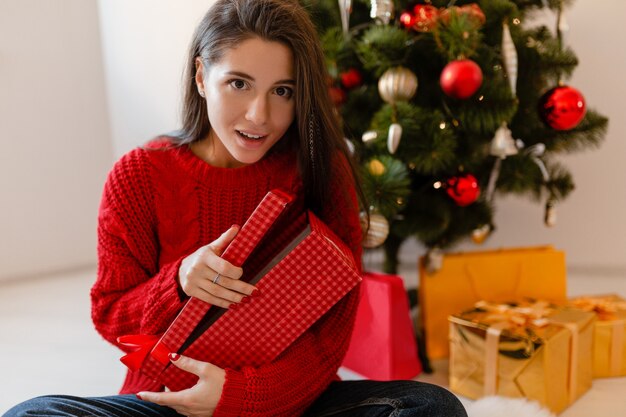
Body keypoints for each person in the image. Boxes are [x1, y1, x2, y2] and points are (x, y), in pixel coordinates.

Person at [4, 1, 467, 416]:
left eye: (283, 91)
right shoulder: (139, 175)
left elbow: (329, 341)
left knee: (430, 406)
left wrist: (242, 396)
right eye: (239, 84)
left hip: (289, 402)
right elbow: (109, 314)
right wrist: (180, 281)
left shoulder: (321, 170)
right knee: (34, 413)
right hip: (171, 401)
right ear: (202, 76)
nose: (259, 116)